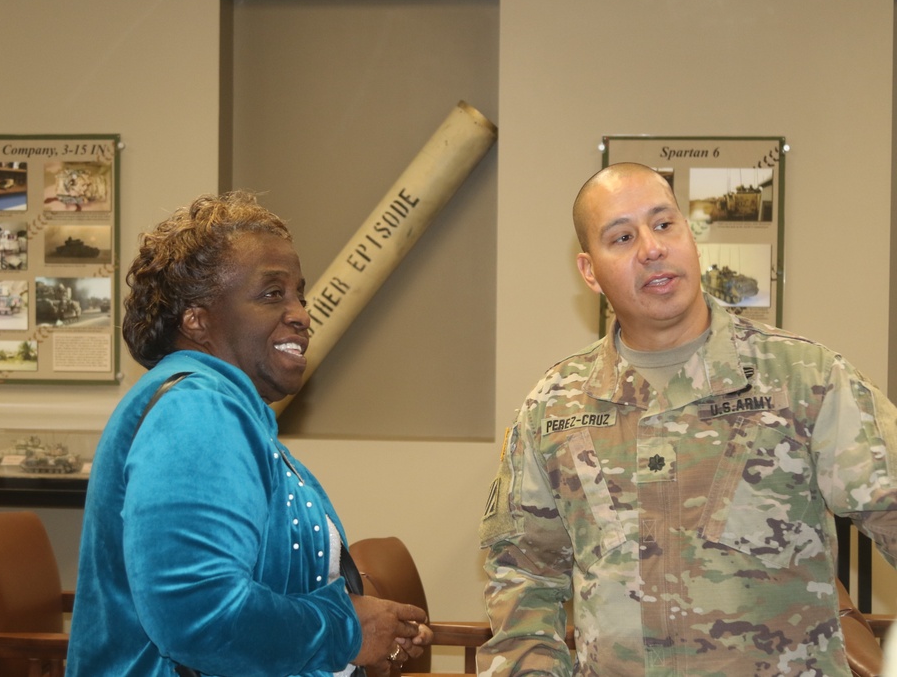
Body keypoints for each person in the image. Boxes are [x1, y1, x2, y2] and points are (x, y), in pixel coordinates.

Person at [478, 163, 897, 675]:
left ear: (690, 236)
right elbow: (524, 576)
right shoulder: (555, 407)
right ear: (590, 271)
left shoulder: (804, 378)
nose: (651, 248)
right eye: (623, 236)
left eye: (663, 224)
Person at [67, 191, 430, 676]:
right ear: (197, 320)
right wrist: (347, 631)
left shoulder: (228, 409)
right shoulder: (196, 411)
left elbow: (255, 582)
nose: (302, 313)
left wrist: (363, 630)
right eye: (272, 294)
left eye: (299, 293)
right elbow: (200, 617)